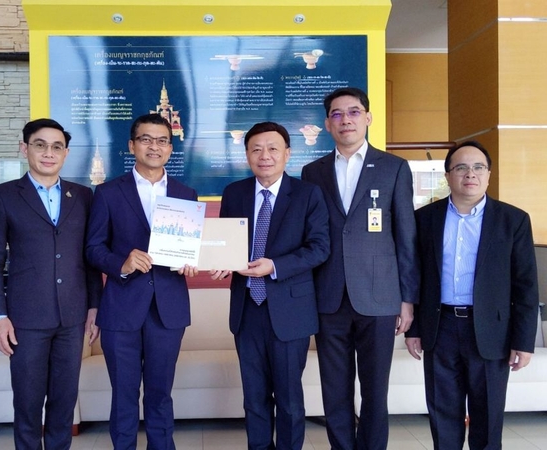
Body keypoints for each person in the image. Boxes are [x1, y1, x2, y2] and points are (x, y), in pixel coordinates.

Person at [301, 87, 419, 450]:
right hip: (329, 297)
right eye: (336, 114)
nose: (345, 120)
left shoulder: (394, 167)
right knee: (334, 391)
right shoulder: (312, 172)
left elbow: (406, 236)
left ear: (368, 117)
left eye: (353, 112)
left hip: (380, 297)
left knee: (375, 391)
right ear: (327, 124)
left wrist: (407, 299)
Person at [405, 141, 539, 450]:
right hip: (440, 328)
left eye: (479, 167)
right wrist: (414, 329)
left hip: (491, 331)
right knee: (442, 415)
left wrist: (523, 341)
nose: (471, 174)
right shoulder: (425, 218)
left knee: (488, 418)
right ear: (447, 175)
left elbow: (526, 285)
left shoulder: (513, 220)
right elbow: (416, 277)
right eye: (461, 167)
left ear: (489, 174)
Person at [0, 118, 102, 449]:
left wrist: (94, 306)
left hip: (72, 318)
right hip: (25, 319)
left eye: (56, 147)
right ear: (25, 149)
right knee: (28, 405)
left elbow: (89, 257)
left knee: (64, 404)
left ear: (66, 153)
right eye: (40, 145)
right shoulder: (3, 196)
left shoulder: (83, 196)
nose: (49, 153)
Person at [211, 121, 330, 449]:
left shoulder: (307, 194)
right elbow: (226, 243)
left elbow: (319, 248)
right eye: (256, 149)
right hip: (247, 310)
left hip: (290, 311)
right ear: (247, 155)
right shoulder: (234, 193)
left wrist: (275, 266)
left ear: (287, 154)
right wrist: (220, 261)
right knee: (254, 398)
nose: (265, 155)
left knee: (289, 400)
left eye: (273, 148)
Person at [85, 113, 198, 449]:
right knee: (123, 394)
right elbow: (92, 248)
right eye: (146, 139)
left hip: (168, 309)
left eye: (162, 140)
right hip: (121, 307)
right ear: (132, 145)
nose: (154, 146)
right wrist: (121, 263)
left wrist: (191, 262)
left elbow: (191, 247)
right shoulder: (107, 192)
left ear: (170, 148)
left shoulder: (185, 193)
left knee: (161, 394)